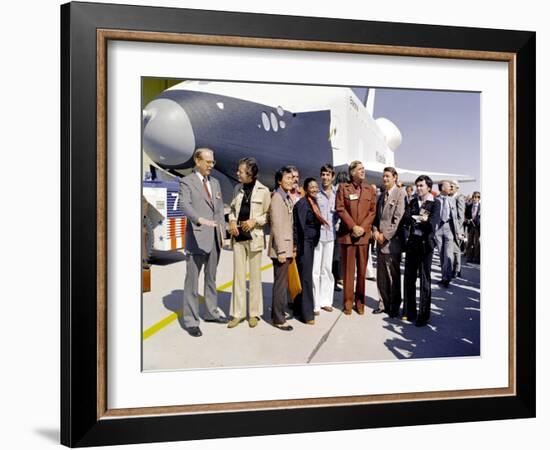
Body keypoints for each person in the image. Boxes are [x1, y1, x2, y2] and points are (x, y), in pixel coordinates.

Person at [179, 148, 228, 337]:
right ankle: (191, 320)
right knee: (192, 282)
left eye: (213, 162)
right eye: (208, 162)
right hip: (196, 238)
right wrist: (199, 220)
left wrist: (222, 235)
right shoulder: (186, 182)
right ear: (197, 161)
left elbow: (219, 210)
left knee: (211, 279)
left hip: (215, 238)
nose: (211, 165)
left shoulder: (214, 183)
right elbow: (185, 205)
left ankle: (211, 312)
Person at [227, 157, 271, 329]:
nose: (237, 173)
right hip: (238, 238)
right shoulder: (237, 188)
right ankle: (237, 314)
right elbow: (231, 209)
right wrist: (231, 221)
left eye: (241, 171)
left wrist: (254, 221)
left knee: (254, 278)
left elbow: (268, 215)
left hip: (254, 238)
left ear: (251, 174)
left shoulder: (264, 191)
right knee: (238, 277)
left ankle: (254, 313)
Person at [335, 160, 377, 315]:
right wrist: (353, 227)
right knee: (348, 271)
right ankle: (347, 304)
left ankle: (360, 304)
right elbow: (340, 208)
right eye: (360, 169)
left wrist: (362, 228)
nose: (363, 171)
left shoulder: (370, 189)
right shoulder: (343, 188)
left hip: (363, 237)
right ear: (352, 172)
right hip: (348, 235)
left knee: (361, 272)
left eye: (363, 169)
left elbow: (372, 211)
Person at [402, 175, 440, 327]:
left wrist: (417, 219)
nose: (418, 188)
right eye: (417, 185)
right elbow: (406, 219)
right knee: (409, 278)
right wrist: (417, 220)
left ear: (429, 187)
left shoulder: (435, 203)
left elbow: (432, 223)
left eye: (421, 186)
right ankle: (409, 311)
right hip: (412, 244)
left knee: (425, 280)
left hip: (425, 246)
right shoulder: (412, 202)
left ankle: (423, 315)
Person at [372, 167, 406, 317]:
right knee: (381, 275)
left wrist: (385, 236)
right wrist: (375, 232)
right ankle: (383, 303)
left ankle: (394, 306)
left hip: (391, 243)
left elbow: (397, 219)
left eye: (387, 176)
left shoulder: (400, 194)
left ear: (395, 177)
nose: (384, 179)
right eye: (383, 176)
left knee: (393, 276)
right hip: (379, 241)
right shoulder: (381, 195)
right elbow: (376, 218)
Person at [293, 178, 327, 324]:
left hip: (311, 243)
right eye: (311, 187)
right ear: (305, 189)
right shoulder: (302, 204)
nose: (314, 189)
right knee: (306, 277)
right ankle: (307, 314)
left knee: (305, 275)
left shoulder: (313, 202)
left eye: (315, 186)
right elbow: (298, 227)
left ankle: (299, 308)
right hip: (304, 244)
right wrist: (297, 247)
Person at [268, 166, 296, 331]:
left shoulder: (286, 197)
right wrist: (280, 251)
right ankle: (279, 319)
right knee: (280, 285)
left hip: (285, 246)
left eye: (292, 178)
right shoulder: (278, 198)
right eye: (287, 178)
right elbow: (277, 226)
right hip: (281, 248)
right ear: (279, 181)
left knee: (281, 283)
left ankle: (277, 313)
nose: (291, 181)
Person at [312, 164, 338, 314]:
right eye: (323, 174)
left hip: (331, 236)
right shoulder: (316, 194)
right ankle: (315, 303)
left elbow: (340, 213)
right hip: (318, 236)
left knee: (327, 269)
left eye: (328, 175)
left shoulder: (337, 194)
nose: (325, 177)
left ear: (332, 177)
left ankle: (326, 301)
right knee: (315, 270)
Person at [435, 180, 460, 288]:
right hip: (438, 229)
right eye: (448, 186)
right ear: (442, 188)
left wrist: (459, 232)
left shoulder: (452, 200)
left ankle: (447, 278)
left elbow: (456, 217)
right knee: (441, 254)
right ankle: (443, 276)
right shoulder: (435, 200)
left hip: (449, 228)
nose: (450, 187)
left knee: (448, 255)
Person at [332, 171, 350, 292]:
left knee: (336, 256)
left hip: (335, 229)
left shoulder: (334, 191)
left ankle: (337, 278)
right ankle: (335, 280)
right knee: (336, 257)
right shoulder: (338, 192)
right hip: (337, 229)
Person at [450, 180, 466, 277]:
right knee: (452, 250)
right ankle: (455, 268)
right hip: (451, 228)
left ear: (457, 188)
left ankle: (457, 269)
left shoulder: (459, 198)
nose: (450, 188)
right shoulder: (450, 197)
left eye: (452, 186)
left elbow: (461, 216)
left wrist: (457, 230)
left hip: (457, 229)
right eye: (450, 186)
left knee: (456, 251)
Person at [464, 191, 481, 263]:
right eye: (473, 197)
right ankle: (469, 257)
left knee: (477, 243)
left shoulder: (481, 207)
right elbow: (466, 216)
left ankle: (476, 258)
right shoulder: (469, 206)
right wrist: (467, 220)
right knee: (469, 242)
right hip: (470, 227)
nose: (475, 198)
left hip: (478, 227)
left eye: (477, 197)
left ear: (479, 198)